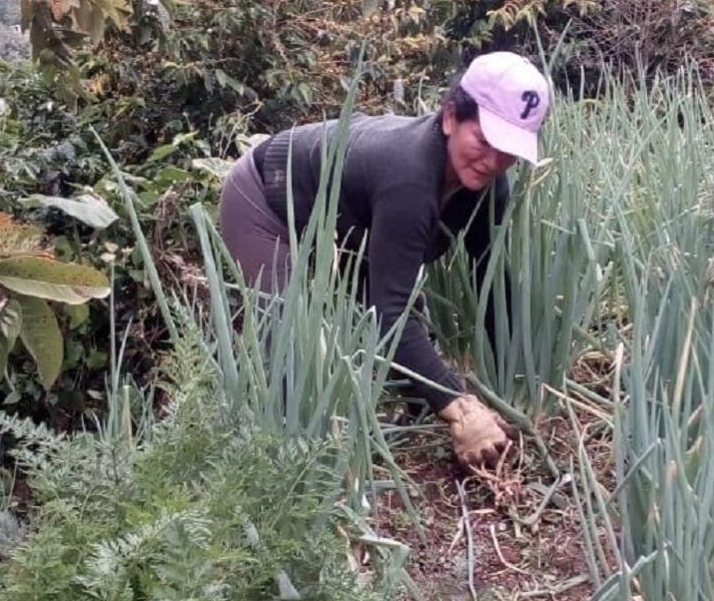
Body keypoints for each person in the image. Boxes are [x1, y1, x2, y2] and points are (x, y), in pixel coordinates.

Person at [218, 51, 551, 467]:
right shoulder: (409, 176)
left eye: (509, 151)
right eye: (484, 141)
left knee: (403, 340)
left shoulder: (488, 185)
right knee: (295, 352)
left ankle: (395, 427)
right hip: (268, 202)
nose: (494, 162)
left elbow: (491, 279)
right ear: (450, 117)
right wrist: (462, 409)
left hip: (347, 221)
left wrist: (522, 380)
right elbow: (388, 314)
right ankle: (297, 472)